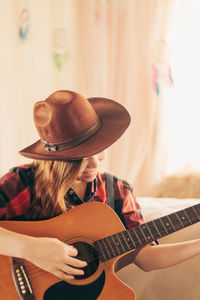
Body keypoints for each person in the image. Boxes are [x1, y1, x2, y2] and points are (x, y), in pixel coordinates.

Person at [0, 90, 199, 284]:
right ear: (56, 160)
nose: (94, 165)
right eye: (80, 158)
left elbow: (145, 257)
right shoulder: (22, 182)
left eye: (99, 150)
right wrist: (30, 248)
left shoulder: (116, 190)